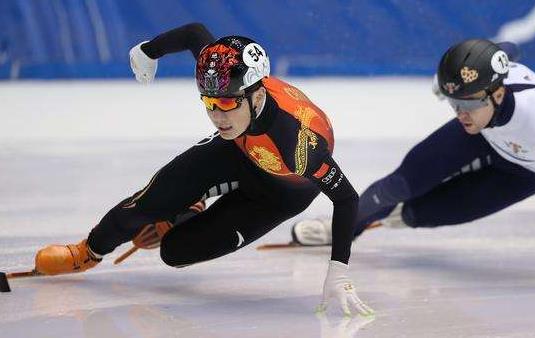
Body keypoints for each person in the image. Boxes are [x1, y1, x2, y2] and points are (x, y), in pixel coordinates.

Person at [33, 23, 373, 316]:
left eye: (226, 103)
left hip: (278, 195)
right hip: (238, 150)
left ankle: (186, 212)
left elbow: (345, 198)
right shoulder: (223, 72)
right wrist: (149, 51)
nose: (217, 116)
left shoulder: (296, 144)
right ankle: (87, 251)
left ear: (256, 96)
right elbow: (195, 33)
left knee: (175, 252)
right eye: (209, 103)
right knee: (151, 200)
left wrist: (338, 269)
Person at [292, 39, 535, 292]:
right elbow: (509, 49)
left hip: (530, 168)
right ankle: (346, 227)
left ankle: (394, 217)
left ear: (496, 93)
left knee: (425, 214)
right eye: (454, 103)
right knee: (402, 182)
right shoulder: (476, 104)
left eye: (468, 103)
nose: (460, 113)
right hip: (486, 133)